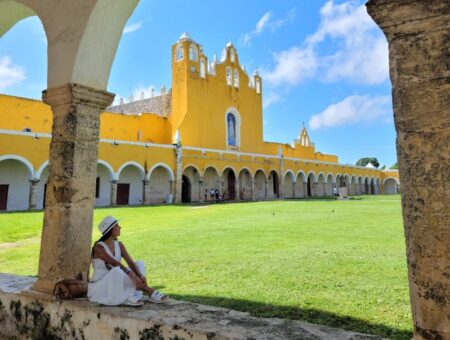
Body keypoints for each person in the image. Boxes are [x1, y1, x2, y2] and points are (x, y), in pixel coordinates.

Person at [87, 215, 167, 306]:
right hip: (100, 287)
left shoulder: (119, 245)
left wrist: (140, 275)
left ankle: (135, 295)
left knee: (140, 263)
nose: (120, 227)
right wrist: (132, 276)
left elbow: (130, 262)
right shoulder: (98, 248)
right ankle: (148, 291)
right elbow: (114, 263)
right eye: (117, 226)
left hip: (115, 282)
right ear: (111, 230)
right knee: (116, 270)